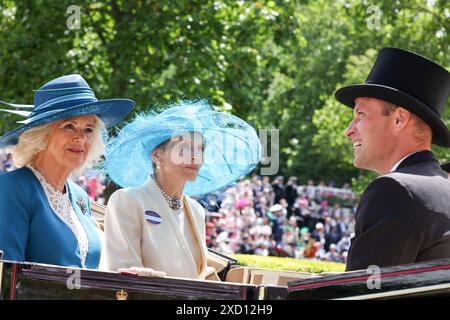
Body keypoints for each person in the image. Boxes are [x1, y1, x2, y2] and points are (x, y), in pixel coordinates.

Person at [102, 100, 261, 279]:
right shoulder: (128, 200)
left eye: (201, 149)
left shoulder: (196, 210)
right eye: (184, 148)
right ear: (156, 155)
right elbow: (124, 273)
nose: (196, 156)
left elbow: (197, 274)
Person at [0, 74, 135, 268]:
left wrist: (123, 279)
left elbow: (86, 273)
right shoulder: (11, 188)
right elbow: (5, 277)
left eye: (89, 129)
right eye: (69, 126)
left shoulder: (79, 197)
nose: (81, 138)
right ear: (42, 135)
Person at [335, 47, 450, 271]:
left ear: (399, 119)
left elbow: (361, 294)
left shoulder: (394, 190)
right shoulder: (444, 187)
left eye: (360, 115)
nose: (349, 131)